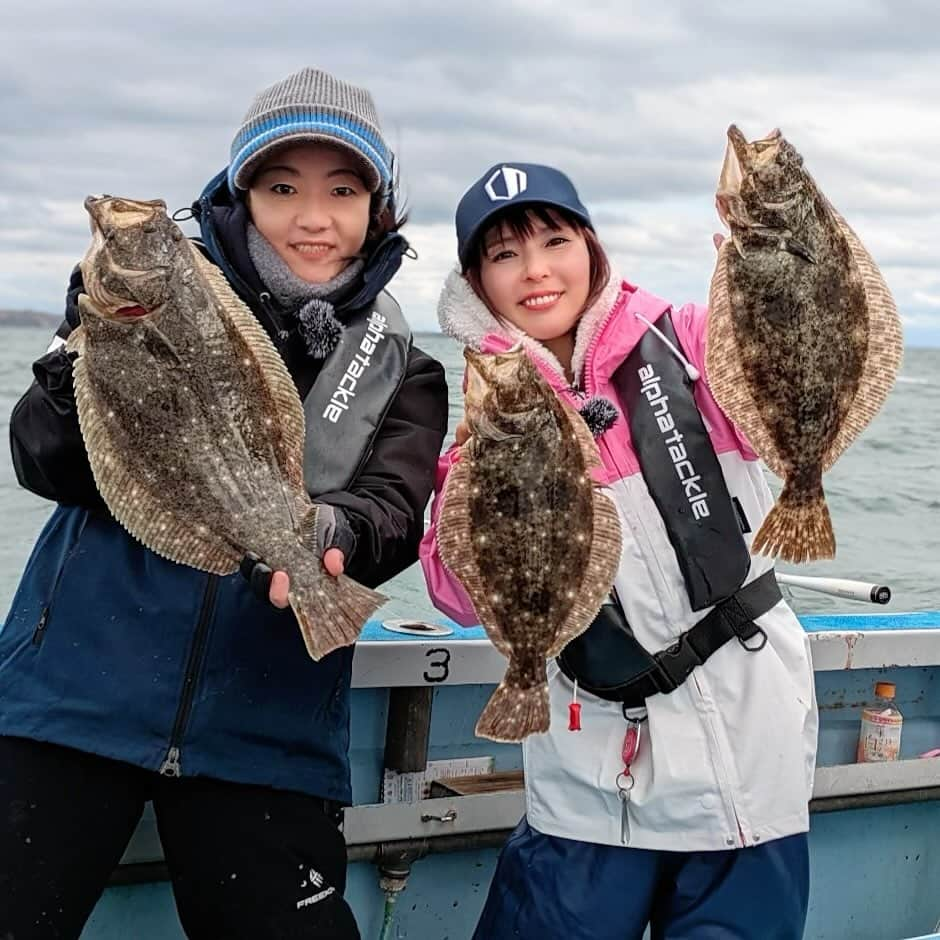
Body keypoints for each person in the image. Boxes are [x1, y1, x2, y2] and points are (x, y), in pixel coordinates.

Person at [1, 66, 448, 940]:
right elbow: (41, 458)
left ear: (376, 208)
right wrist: (83, 354)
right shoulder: (159, 297)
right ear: (241, 197)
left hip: (269, 725)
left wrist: (333, 536)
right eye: (282, 188)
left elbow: (394, 514)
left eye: (343, 190)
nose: (312, 218)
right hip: (74, 697)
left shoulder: (407, 367)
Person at [420, 162, 817, 940]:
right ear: (477, 282)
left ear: (592, 247)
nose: (535, 270)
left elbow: (787, 389)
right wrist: (468, 480)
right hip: (591, 772)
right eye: (503, 255)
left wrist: (772, 262)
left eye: (554, 241)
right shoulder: (485, 407)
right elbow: (455, 597)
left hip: (750, 756)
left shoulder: (691, 341)